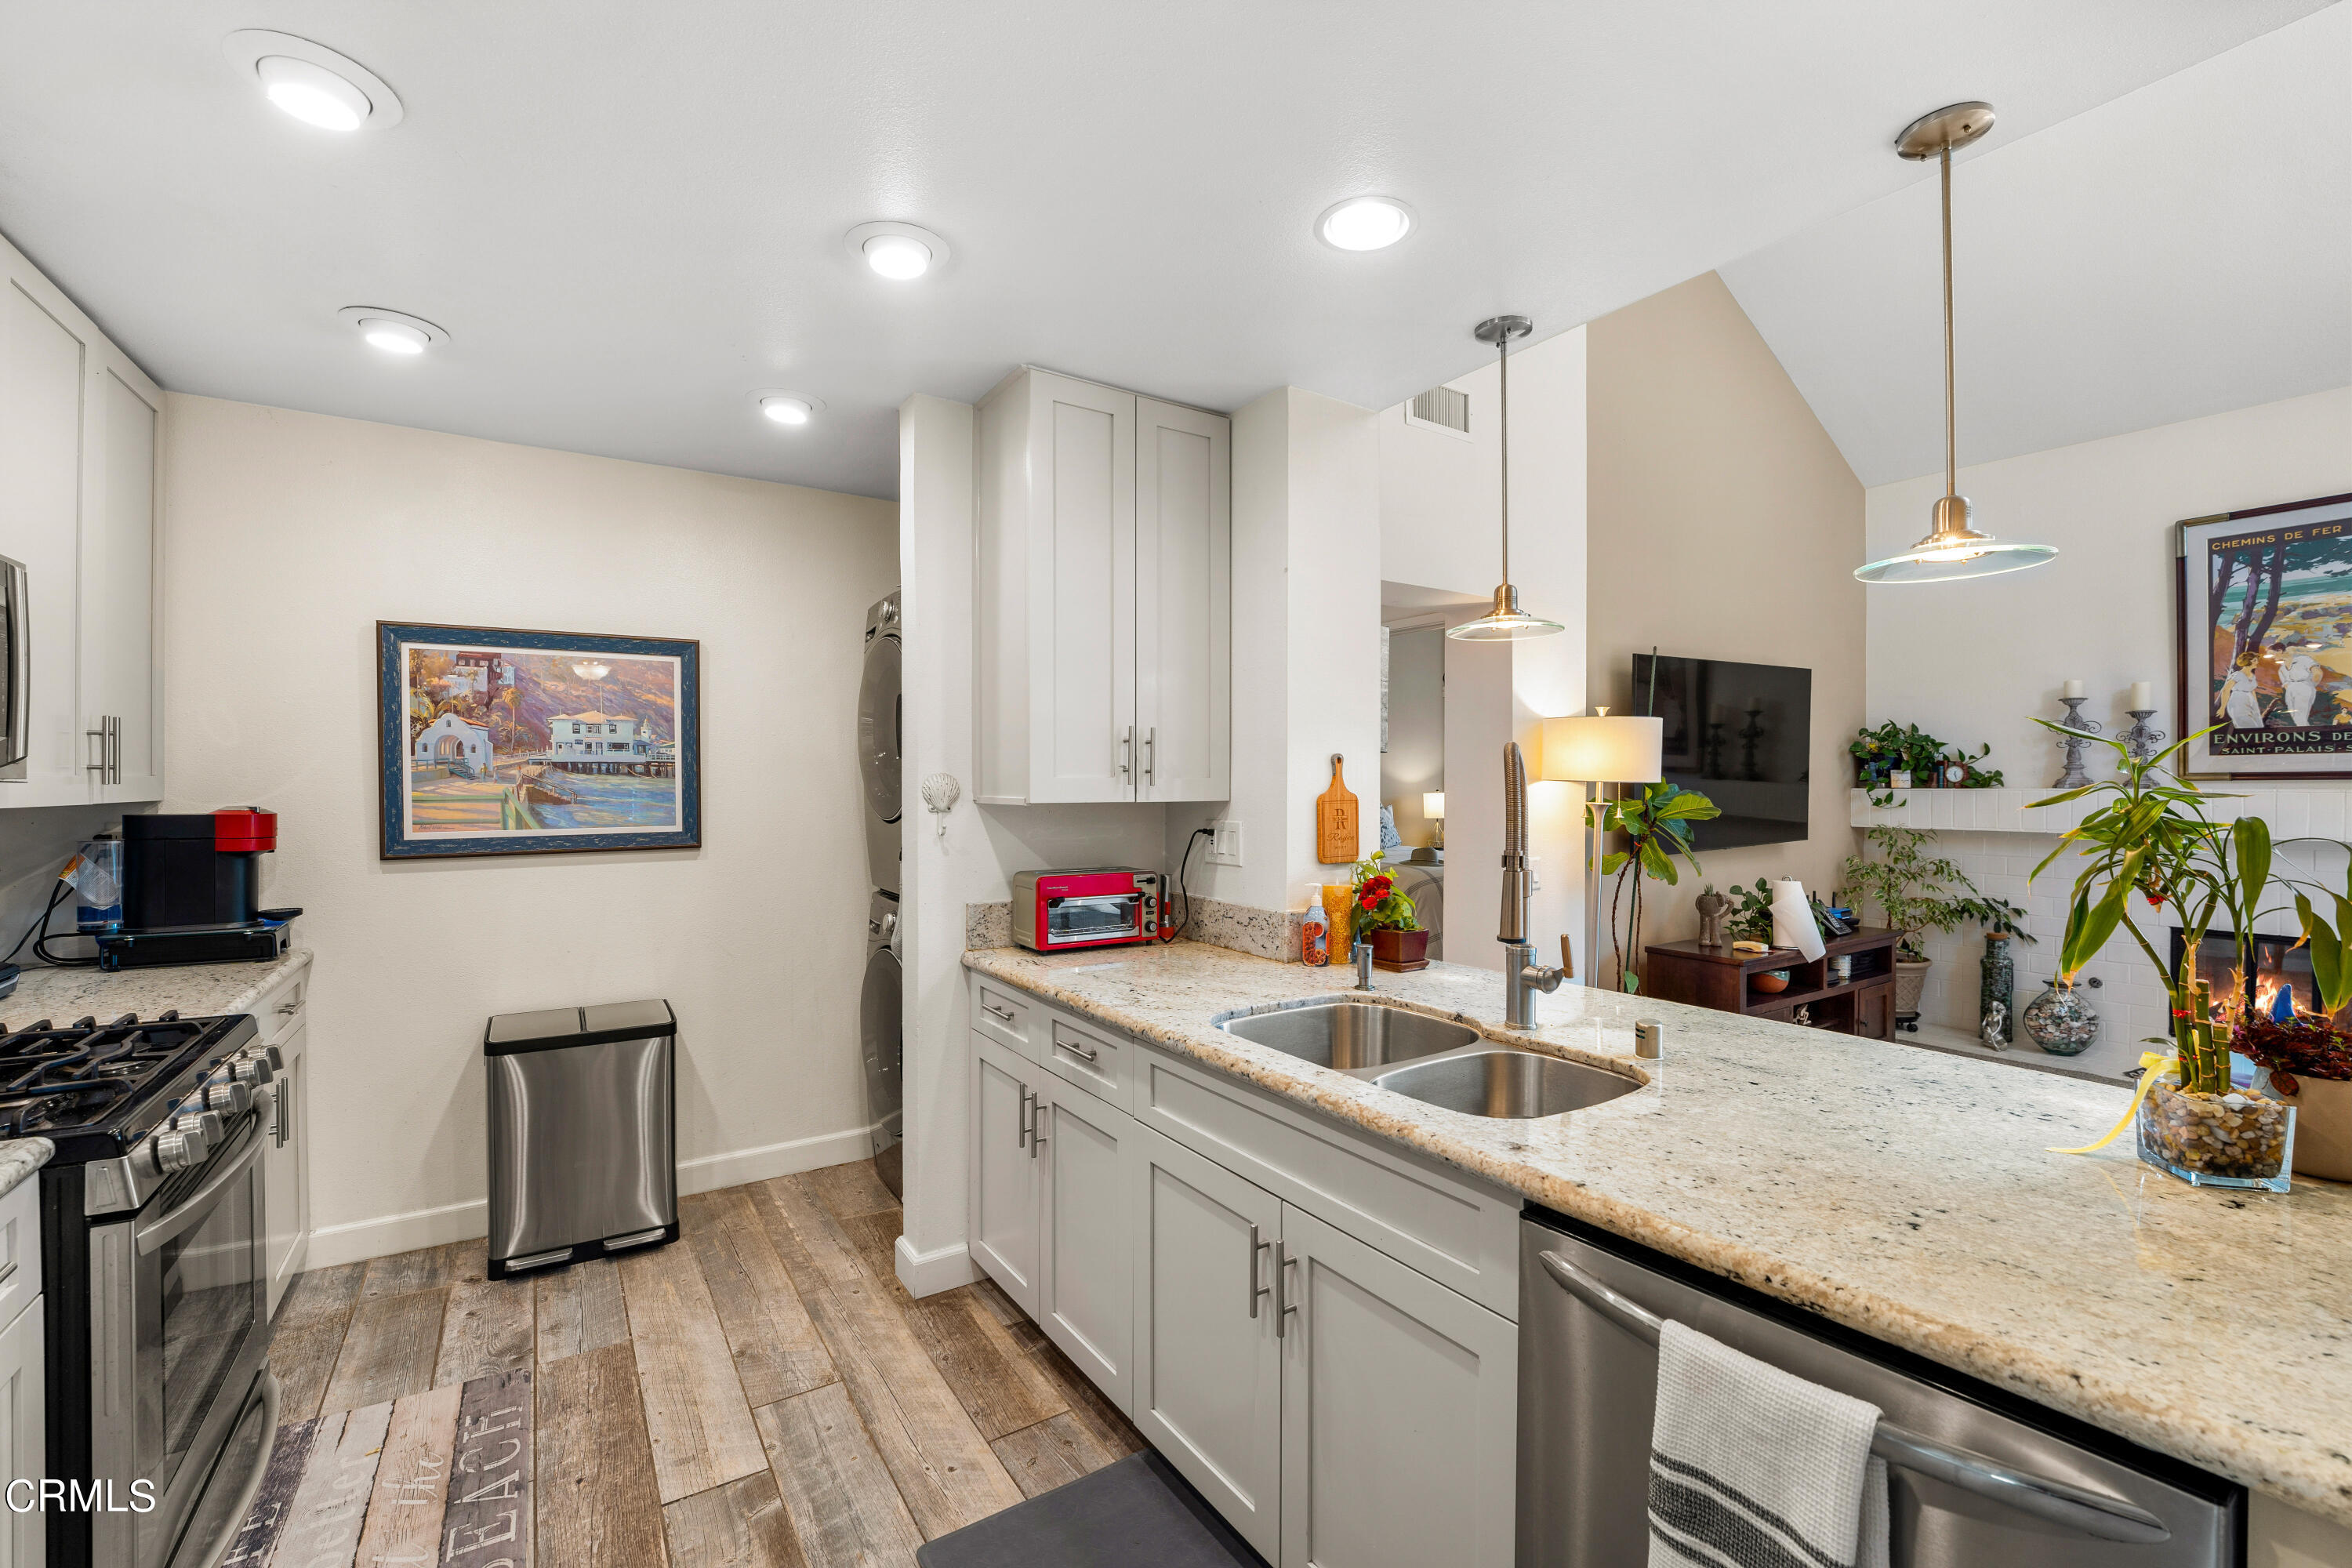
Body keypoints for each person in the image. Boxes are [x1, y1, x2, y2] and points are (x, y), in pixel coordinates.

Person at [2220, 656, 2267, 729]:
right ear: (2247, 661)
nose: (2257, 662)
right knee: (2246, 726)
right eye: (2254, 660)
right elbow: (2226, 690)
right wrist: (2222, 707)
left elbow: (2252, 691)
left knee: (2259, 726)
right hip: (2238, 701)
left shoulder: (2253, 676)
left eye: (2257, 660)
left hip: (2251, 703)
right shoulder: (2237, 674)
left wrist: (2256, 706)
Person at [2282, 650, 2321, 728]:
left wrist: (2309, 686)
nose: (2273, 657)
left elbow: (2318, 673)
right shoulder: (2282, 667)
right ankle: (2306, 732)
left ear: (2280, 651)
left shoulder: (2303, 659)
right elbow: (2285, 682)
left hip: (2304, 687)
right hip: (2291, 689)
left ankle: (2307, 734)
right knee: (2294, 715)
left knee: (2301, 715)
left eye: (2272, 654)